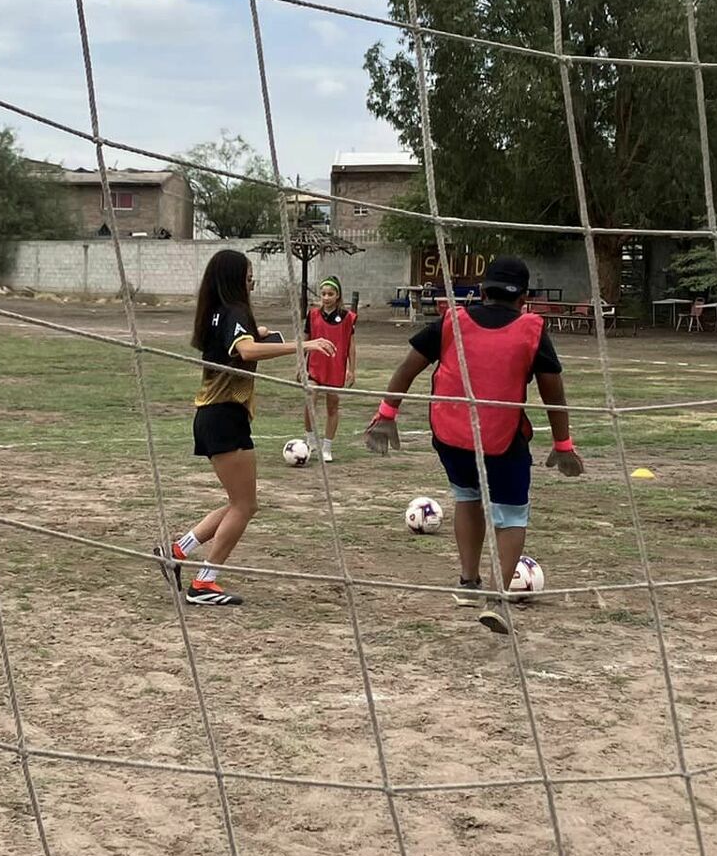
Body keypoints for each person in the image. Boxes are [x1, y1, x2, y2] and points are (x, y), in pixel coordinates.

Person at [364, 255, 582, 634]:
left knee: (466, 497)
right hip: (502, 441)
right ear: (524, 298)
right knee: (511, 516)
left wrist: (386, 414)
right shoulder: (532, 329)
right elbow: (553, 393)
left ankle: (468, 583)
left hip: (451, 437)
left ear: (481, 291)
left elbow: (407, 367)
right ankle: (496, 600)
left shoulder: (452, 321)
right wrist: (562, 444)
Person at [163, 249, 336, 607]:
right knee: (244, 506)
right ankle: (203, 583)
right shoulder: (234, 311)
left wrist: (260, 334)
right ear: (234, 279)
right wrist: (304, 344)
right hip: (225, 416)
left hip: (212, 415)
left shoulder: (214, 312)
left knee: (239, 503)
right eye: (248, 275)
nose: (252, 281)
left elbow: (238, 344)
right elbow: (245, 351)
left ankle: (177, 551)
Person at [302, 277, 358, 463]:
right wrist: (300, 365)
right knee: (310, 399)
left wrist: (351, 369)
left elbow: (351, 345)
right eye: (323, 294)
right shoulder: (313, 315)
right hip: (315, 367)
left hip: (335, 368)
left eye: (330, 294)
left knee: (332, 406)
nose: (326, 297)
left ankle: (327, 447)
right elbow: (305, 341)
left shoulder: (347, 317)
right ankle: (310, 441)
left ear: (337, 295)